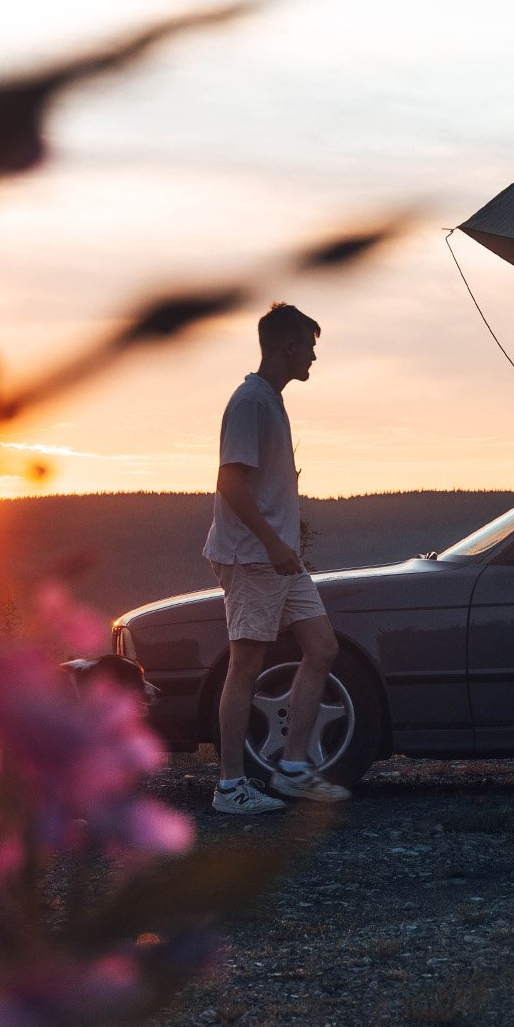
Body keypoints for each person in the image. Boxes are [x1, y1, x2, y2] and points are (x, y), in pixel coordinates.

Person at [203, 302, 350, 814]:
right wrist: (271, 543)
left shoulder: (270, 401)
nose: (313, 356)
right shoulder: (251, 403)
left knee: (322, 647)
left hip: (279, 560)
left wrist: (282, 547)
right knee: (245, 665)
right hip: (253, 558)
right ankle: (230, 787)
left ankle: (290, 770)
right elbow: (229, 482)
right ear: (288, 347)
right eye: (309, 346)